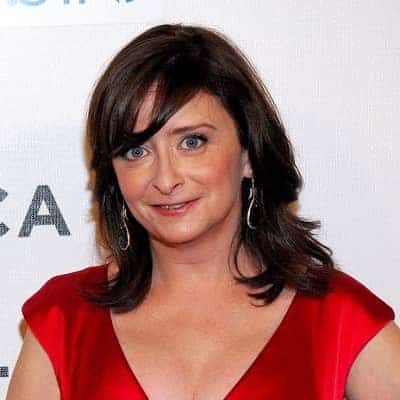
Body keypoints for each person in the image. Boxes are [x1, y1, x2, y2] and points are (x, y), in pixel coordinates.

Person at [6, 23, 400, 400]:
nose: (165, 179)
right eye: (136, 151)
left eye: (192, 142)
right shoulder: (63, 320)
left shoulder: (336, 316)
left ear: (248, 153)